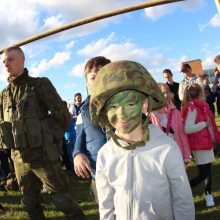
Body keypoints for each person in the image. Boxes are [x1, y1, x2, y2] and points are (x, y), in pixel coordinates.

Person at [90, 60, 195, 220]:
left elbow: (183, 201)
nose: (122, 114)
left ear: (145, 104)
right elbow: (106, 208)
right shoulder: (105, 155)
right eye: (112, 107)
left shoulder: (166, 148)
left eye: (131, 103)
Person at [0, 46, 85, 220]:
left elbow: (62, 115)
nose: (5, 63)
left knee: (62, 200)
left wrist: (48, 139)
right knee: (30, 201)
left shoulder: (39, 84)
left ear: (22, 60)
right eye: (3, 61)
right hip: (19, 158)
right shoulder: (4, 94)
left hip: (43, 155)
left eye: (10, 59)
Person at [73, 56, 111, 203]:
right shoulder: (84, 110)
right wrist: (78, 154)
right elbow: (79, 138)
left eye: (104, 76)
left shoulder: (125, 102)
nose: (99, 81)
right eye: (94, 77)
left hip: (128, 173)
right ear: (87, 82)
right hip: (99, 174)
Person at [181, 83, 220, 207]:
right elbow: (187, 128)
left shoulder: (200, 106)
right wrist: (204, 124)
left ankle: (208, 195)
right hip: (200, 145)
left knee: (207, 172)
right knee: (204, 173)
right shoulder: (193, 107)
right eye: (202, 91)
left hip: (205, 143)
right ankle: (183, 191)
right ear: (200, 93)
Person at [150, 83, 191, 163]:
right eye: (162, 93)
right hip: (159, 156)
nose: (165, 95)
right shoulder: (150, 115)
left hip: (176, 153)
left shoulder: (176, 112)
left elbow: (182, 135)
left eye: (167, 92)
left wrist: (186, 156)